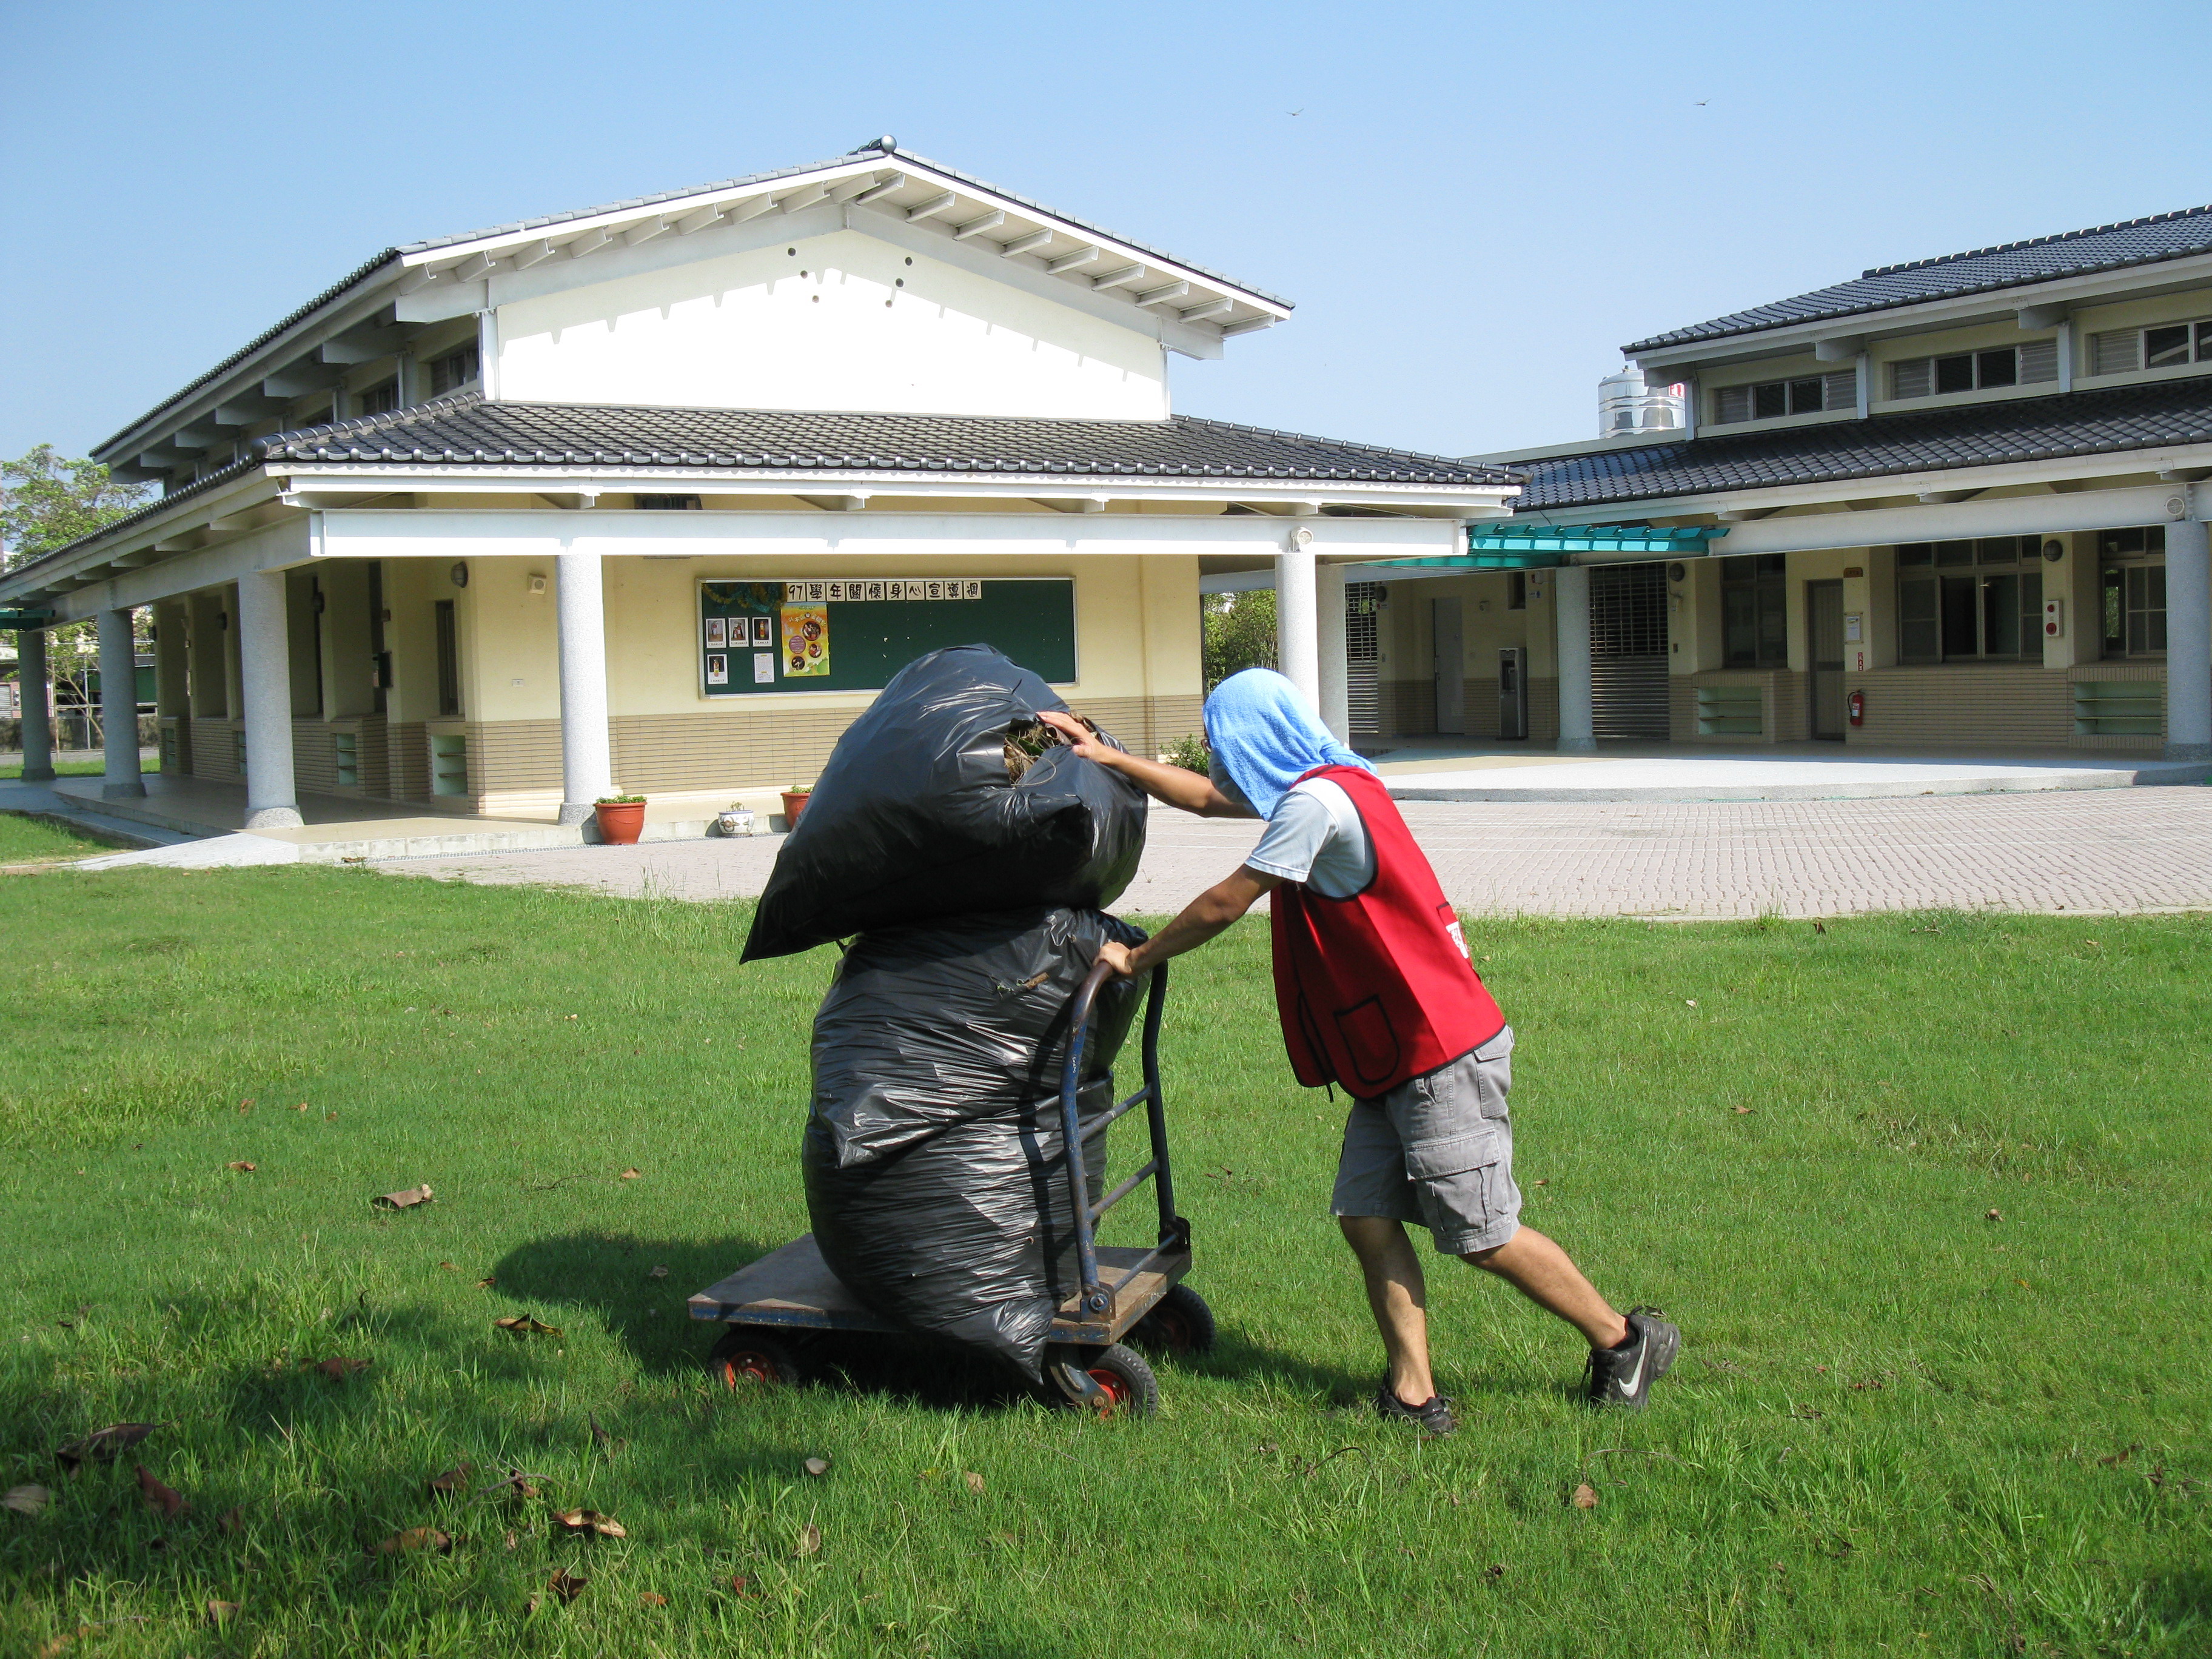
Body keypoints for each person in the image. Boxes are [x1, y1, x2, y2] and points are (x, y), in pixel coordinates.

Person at [1039, 669, 1676, 1432]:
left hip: (1440, 1052)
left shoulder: (1317, 805)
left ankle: (1625, 1340)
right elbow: (1208, 799)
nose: (1212, 756)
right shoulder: (1325, 784)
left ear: (1252, 738)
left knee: (1482, 1236)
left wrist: (1135, 960)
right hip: (1392, 1054)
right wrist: (1109, 760)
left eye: (1219, 740)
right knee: (1367, 1216)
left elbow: (1227, 900)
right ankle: (1413, 1395)